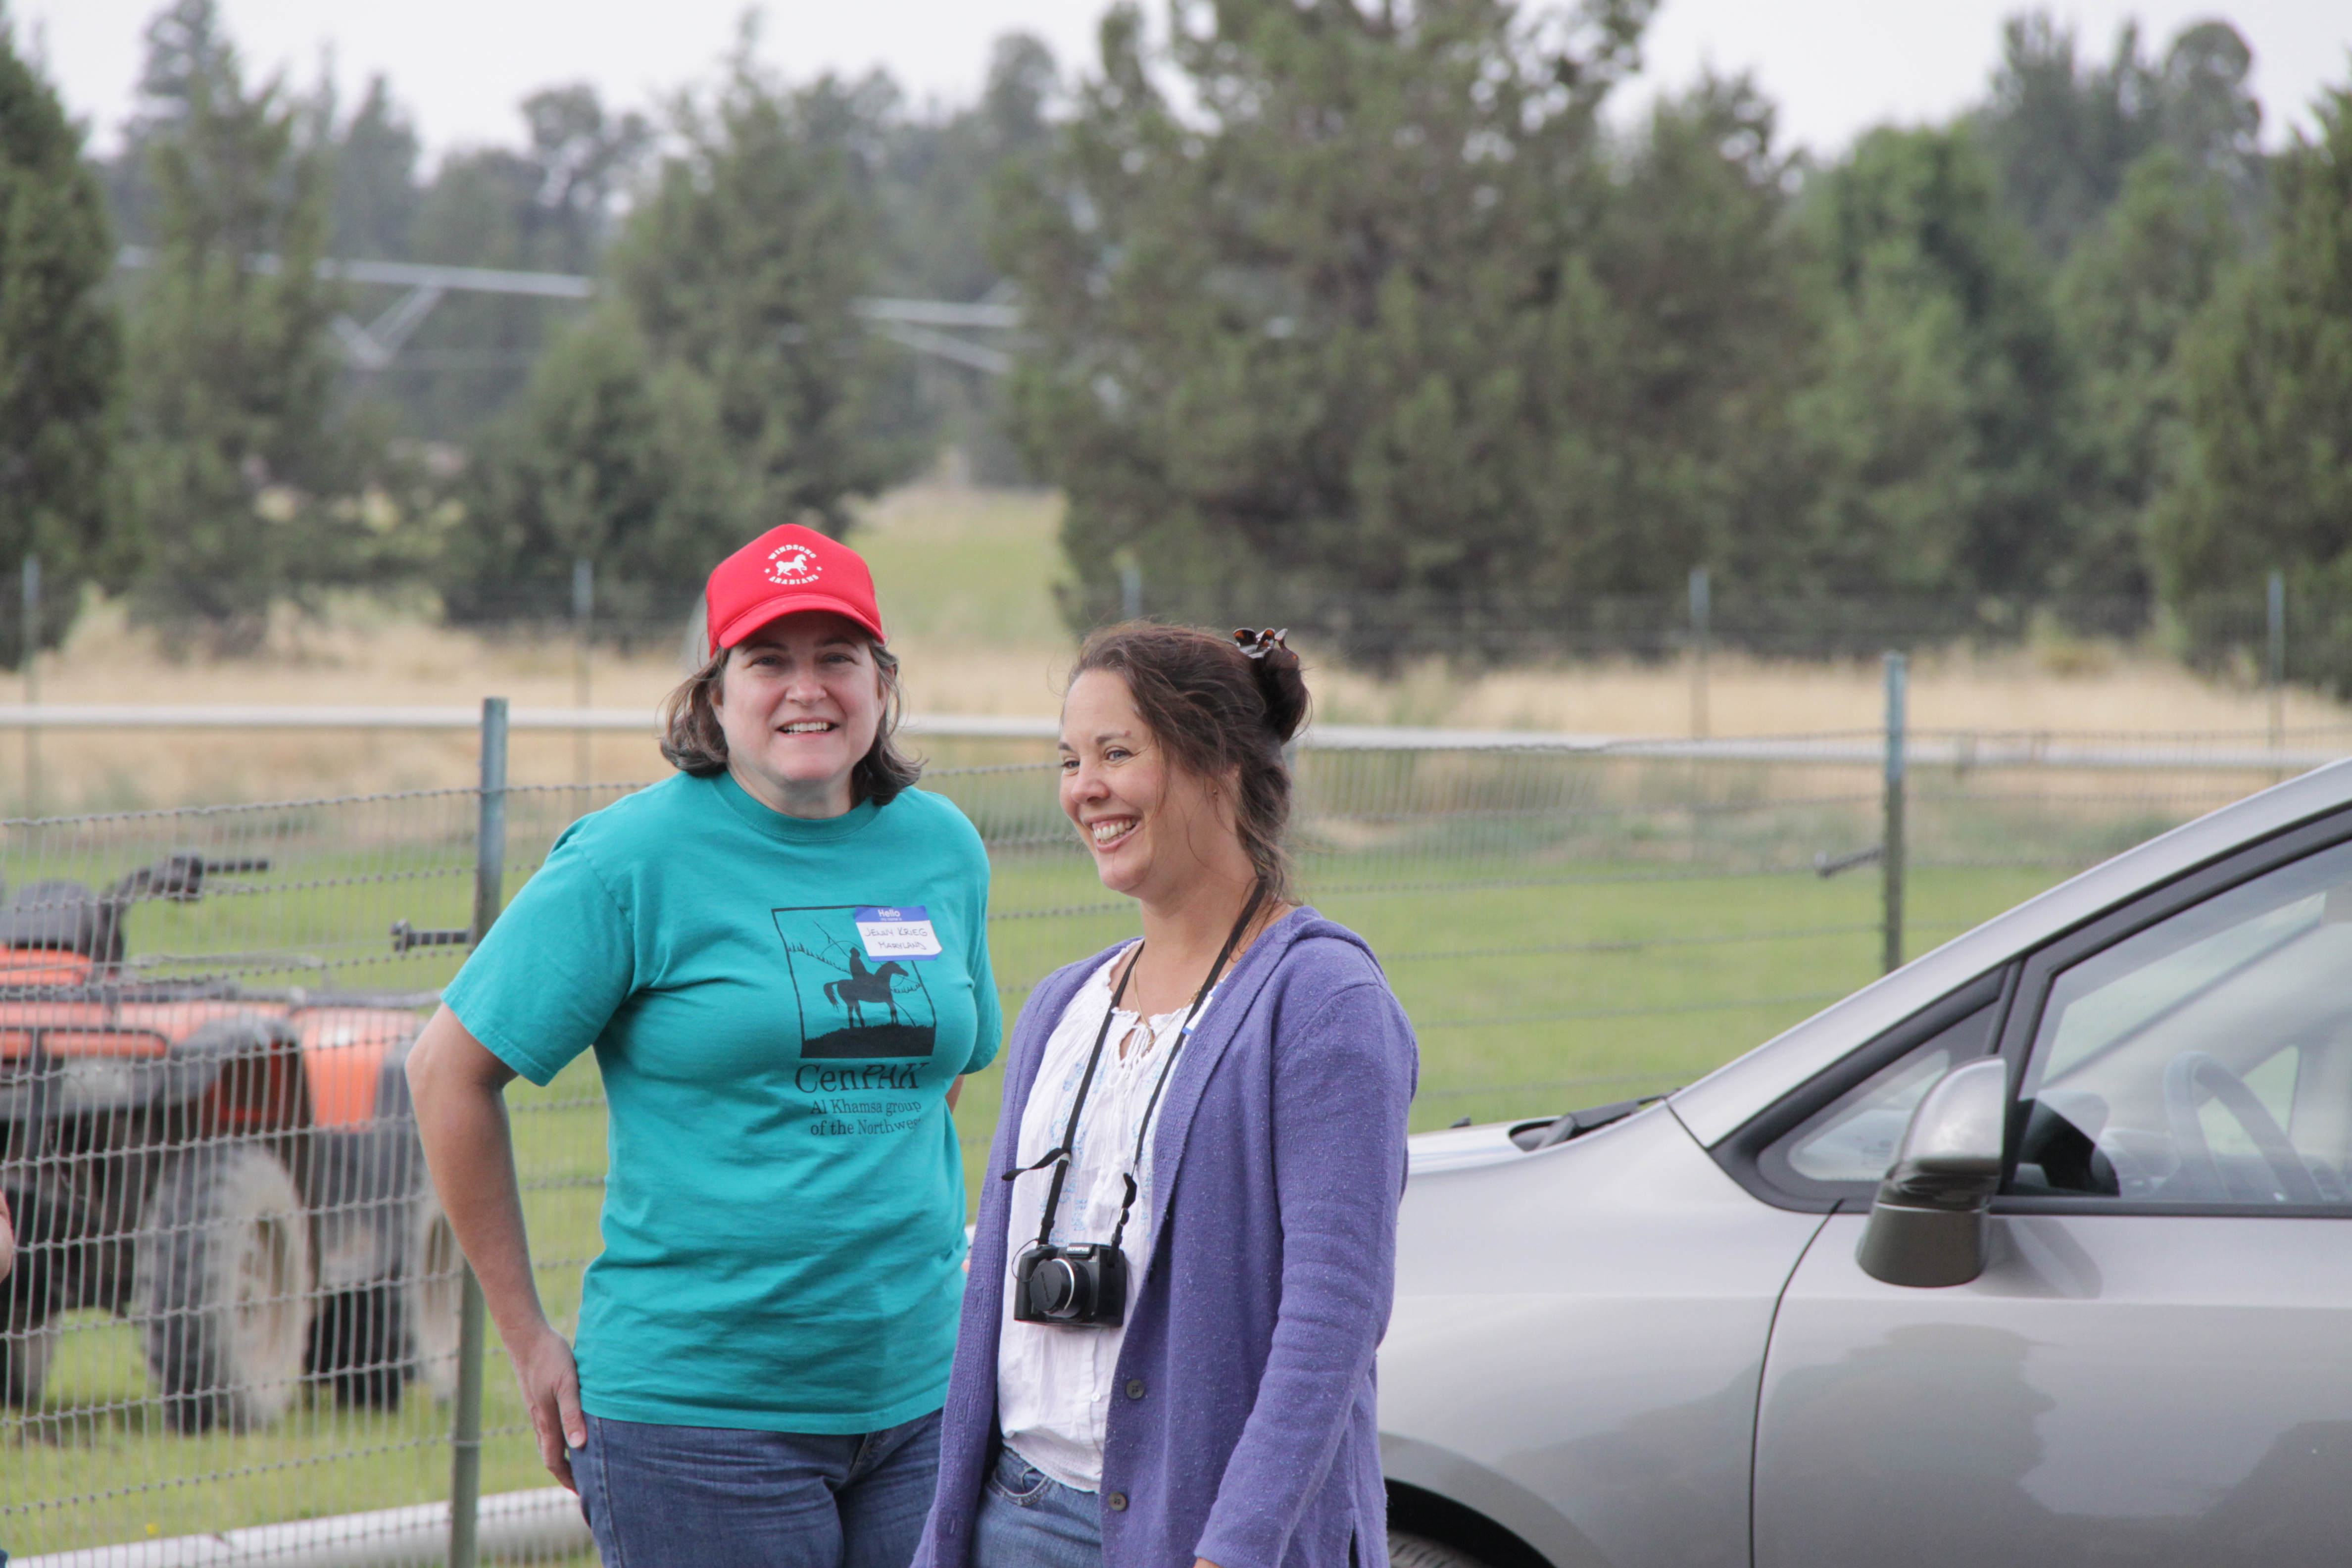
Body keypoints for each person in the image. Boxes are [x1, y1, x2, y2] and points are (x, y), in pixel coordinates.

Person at [407, 524, 1002, 1568]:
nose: (807, 689)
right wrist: (528, 1338)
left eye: (837, 657)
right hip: (698, 1422)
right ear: (714, 696)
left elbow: (933, 1075)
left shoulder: (941, 845)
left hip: (923, 1403)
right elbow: (447, 1072)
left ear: (881, 683)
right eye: (768, 661)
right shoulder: (631, 859)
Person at [916, 624, 1419, 1568]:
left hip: (1206, 1529)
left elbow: (1335, 1316)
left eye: (1117, 753)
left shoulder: (1322, 1000)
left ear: (1219, 763)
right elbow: (992, 1294)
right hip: (1017, 1515)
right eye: (1069, 760)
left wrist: (1236, 1546)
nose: (1085, 788)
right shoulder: (1063, 1006)